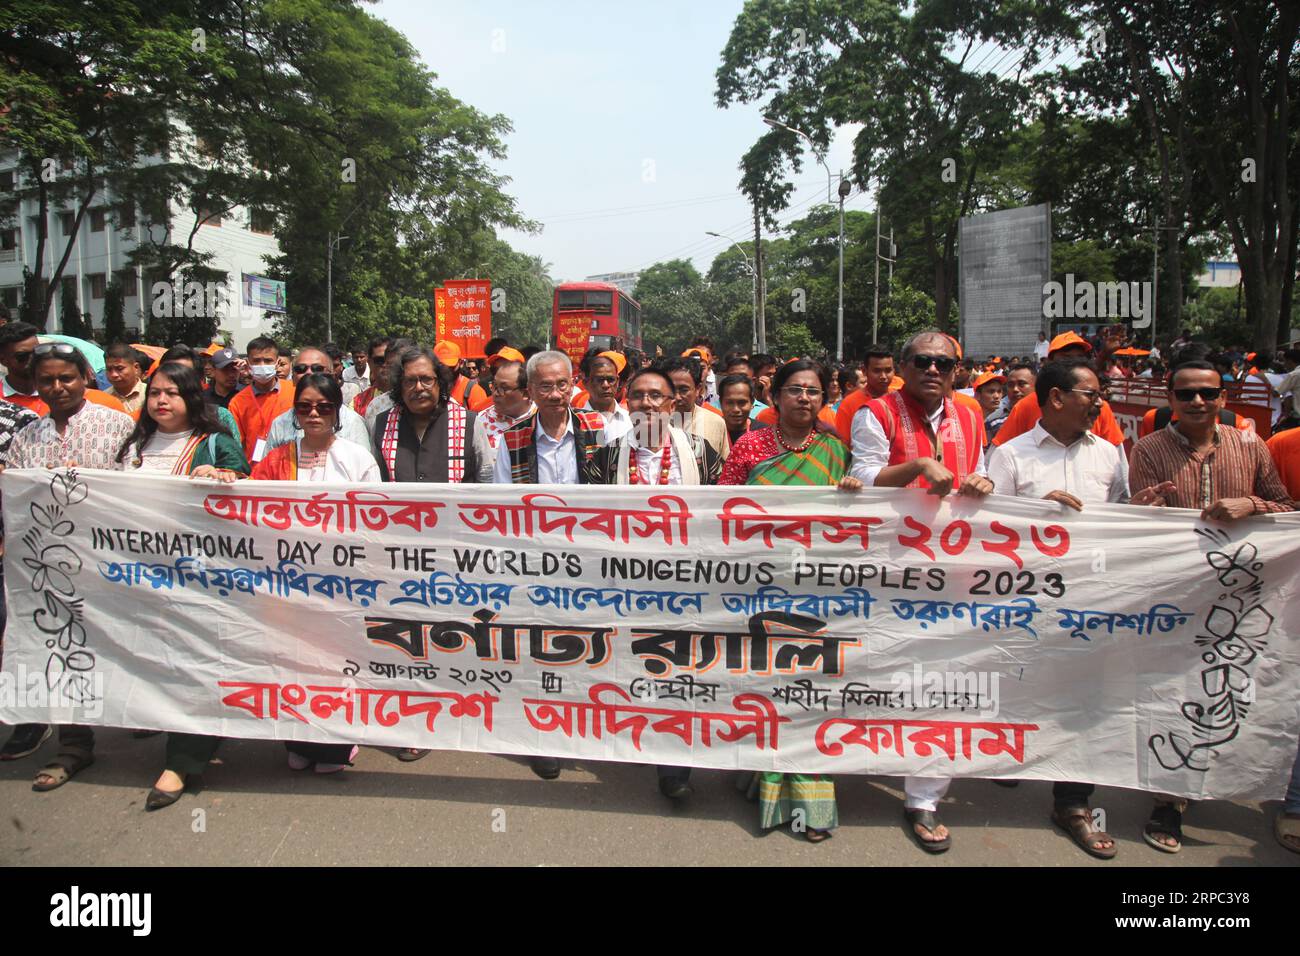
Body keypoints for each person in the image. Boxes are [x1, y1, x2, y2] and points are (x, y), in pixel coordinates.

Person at [1128, 359, 1294, 854]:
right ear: (1170, 399)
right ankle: (1167, 800)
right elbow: (1130, 521)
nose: (1197, 401)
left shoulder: (1251, 445)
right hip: (1175, 596)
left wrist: (1254, 506)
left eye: (1207, 392)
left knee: (1231, 690)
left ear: (1223, 397)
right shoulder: (1149, 449)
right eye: (1186, 394)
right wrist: (1145, 509)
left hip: (1242, 597)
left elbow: (1287, 508)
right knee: (1173, 694)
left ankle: (1225, 779)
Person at [848, 330, 994, 853]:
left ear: (957, 370)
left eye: (945, 363)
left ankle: (924, 795)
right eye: (924, 361)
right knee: (874, 667)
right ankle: (849, 757)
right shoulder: (878, 413)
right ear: (903, 367)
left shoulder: (973, 415)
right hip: (887, 568)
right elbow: (862, 477)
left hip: (953, 568)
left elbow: (981, 471)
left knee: (939, 677)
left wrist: (980, 483)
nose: (934, 370)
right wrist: (914, 468)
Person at [985, 359, 1127, 858]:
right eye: (1090, 392)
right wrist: (1038, 512)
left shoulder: (1110, 454)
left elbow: (1123, 518)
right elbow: (984, 528)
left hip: (1089, 600)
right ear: (1056, 398)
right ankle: (1007, 759)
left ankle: (1073, 802)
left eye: (1099, 393)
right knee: (1019, 685)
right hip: (1023, 603)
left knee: (1083, 699)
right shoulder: (1008, 455)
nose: (1099, 401)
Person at [719, 359, 860, 841]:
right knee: (766, 686)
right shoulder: (751, 445)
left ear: (825, 399)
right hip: (758, 582)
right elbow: (723, 506)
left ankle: (810, 805)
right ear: (775, 396)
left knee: (809, 691)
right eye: (795, 390)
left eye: (814, 391)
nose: (804, 398)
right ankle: (765, 781)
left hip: (818, 588)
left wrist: (851, 494)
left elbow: (856, 523)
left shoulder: (837, 452)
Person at [113, 361, 249, 809]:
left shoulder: (213, 442)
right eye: (154, 393)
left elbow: (251, 492)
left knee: (193, 663)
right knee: (160, 662)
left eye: (172, 392)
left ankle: (182, 761)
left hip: (198, 578)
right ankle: (198, 738)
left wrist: (225, 480)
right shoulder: (135, 444)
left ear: (193, 397)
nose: (161, 401)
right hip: (138, 575)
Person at [584, 363, 723, 800]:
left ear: (673, 403)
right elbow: (587, 522)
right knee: (628, 665)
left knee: (676, 668)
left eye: (657, 396)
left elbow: (726, 512)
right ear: (628, 400)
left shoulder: (700, 453)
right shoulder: (605, 458)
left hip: (687, 584)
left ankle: (673, 767)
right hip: (623, 584)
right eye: (639, 395)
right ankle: (625, 735)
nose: (647, 403)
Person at [0, 343, 135, 787]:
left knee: (124, 645)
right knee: (61, 652)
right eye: (47, 380)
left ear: (85, 378)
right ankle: (74, 744)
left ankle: (145, 716)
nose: (57, 388)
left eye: (66, 378)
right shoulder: (26, 438)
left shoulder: (117, 426)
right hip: (49, 568)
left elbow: (141, 492)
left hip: (108, 561)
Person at [247, 373, 375, 774]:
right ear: (295, 412)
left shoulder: (356, 459)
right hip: (285, 586)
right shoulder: (275, 460)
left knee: (335, 663)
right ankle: (297, 738)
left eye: (323, 407)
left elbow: (373, 522)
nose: (314, 414)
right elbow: (252, 509)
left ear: (337, 411)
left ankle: (336, 745)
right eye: (304, 407)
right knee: (291, 660)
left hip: (341, 584)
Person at [492, 351, 605, 780]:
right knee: (541, 651)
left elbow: (620, 494)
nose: (556, 395)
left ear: (573, 383)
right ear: (531, 391)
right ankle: (545, 737)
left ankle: (586, 726)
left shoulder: (602, 430)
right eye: (545, 387)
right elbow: (504, 508)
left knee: (587, 648)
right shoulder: (513, 438)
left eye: (562, 385)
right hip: (535, 562)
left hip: (592, 561)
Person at [991, 332, 1126, 447]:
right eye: (1066, 359)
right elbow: (999, 452)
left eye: (1080, 358)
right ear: (1050, 363)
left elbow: (1119, 467)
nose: (1074, 365)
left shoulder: (1099, 407)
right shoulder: (1026, 406)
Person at [264, 346, 372, 456]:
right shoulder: (280, 424)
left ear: (332, 375)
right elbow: (268, 469)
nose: (309, 373)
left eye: (317, 369)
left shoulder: (352, 422)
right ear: (293, 377)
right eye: (301, 369)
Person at [228, 336, 293, 466]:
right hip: (255, 473)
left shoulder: (294, 392)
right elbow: (235, 445)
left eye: (268, 360)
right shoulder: (237, 402)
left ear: (277, 362)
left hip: (289, 468)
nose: (262, 365)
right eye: (256, 361)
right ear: (248, 362)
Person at [471, 359, 534, 483]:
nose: (495, 394)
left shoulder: (541, 420)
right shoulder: (479, 421)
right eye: (494, 386)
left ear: (526, 393)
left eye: (503, 389)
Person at [661, 356, 729, 459]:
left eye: (683, 390)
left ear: (698, 389)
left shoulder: (715, 423)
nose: (677, 397)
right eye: (671, 389)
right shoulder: (652, 424)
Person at [577, 348, 631, 442]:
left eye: (610, 380)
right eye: (599, 380)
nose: (606, 385)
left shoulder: (630, 421)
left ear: (618, 382)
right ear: (586, 383)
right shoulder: (574, 423)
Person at [363, 337, 415, 435]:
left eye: (402, 365)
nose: (399, 372)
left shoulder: (443, 406)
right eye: (393, 366)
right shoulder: (376, 407)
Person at [351, 337, 392, 419]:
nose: (385, 364)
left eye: (390, 360)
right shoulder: (357, 403)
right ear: (370, 363)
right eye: (379, 360)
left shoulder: (409, 398)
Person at [103, 344, 148, 416]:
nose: (114, 374)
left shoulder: (149, 394)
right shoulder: (102, 398)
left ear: (136, 368)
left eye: (119, 369)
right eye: (109, 369)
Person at [718, 373, 756, 447]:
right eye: (729, 403)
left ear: (752, 403)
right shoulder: (709, 431)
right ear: (721, 403)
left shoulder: (763, 434)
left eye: (742, 402)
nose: (736, 409)